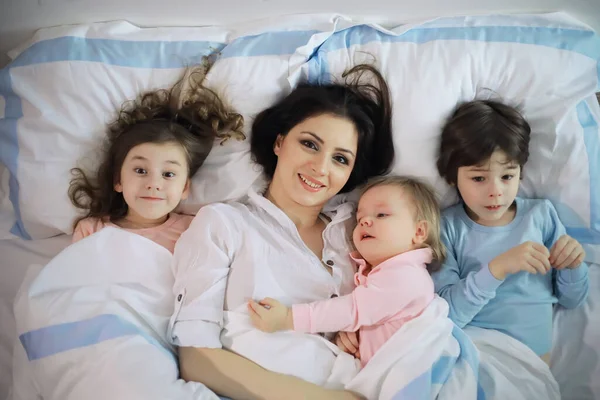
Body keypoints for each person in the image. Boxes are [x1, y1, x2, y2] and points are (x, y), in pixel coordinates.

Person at [169, 64, 395, 399]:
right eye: (310, 144)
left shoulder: (362, 231)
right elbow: (195, 357)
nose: (320, 168)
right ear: (279, 142)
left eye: (341, 159)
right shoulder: (224, 223)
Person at [433, 99, 589, 363]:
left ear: (520, 173)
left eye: (507, 176)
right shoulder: (447, 227)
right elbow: (447, 313)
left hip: (529, 362)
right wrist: (497, 269)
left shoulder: (541, 216)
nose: (496, 190)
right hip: (472, 354)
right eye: (479, 178)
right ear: (451, 177)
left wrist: (573, 264)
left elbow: (572, 300)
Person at [248, 176, 445, 368]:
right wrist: (357, 335)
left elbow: (354, 310)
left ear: (419, 232)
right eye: (360, 218)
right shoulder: (380, 274)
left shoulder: (405, 276)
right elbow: (366, 316)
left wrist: (289, 318)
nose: (365, 221)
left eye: (381, 215)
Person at [69, 63, 244, 253]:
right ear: (118, 180)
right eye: (141, 170)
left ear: (185, 187)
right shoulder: (91, 231)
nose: (153, 184)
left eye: (168, 174)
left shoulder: (194, 230)